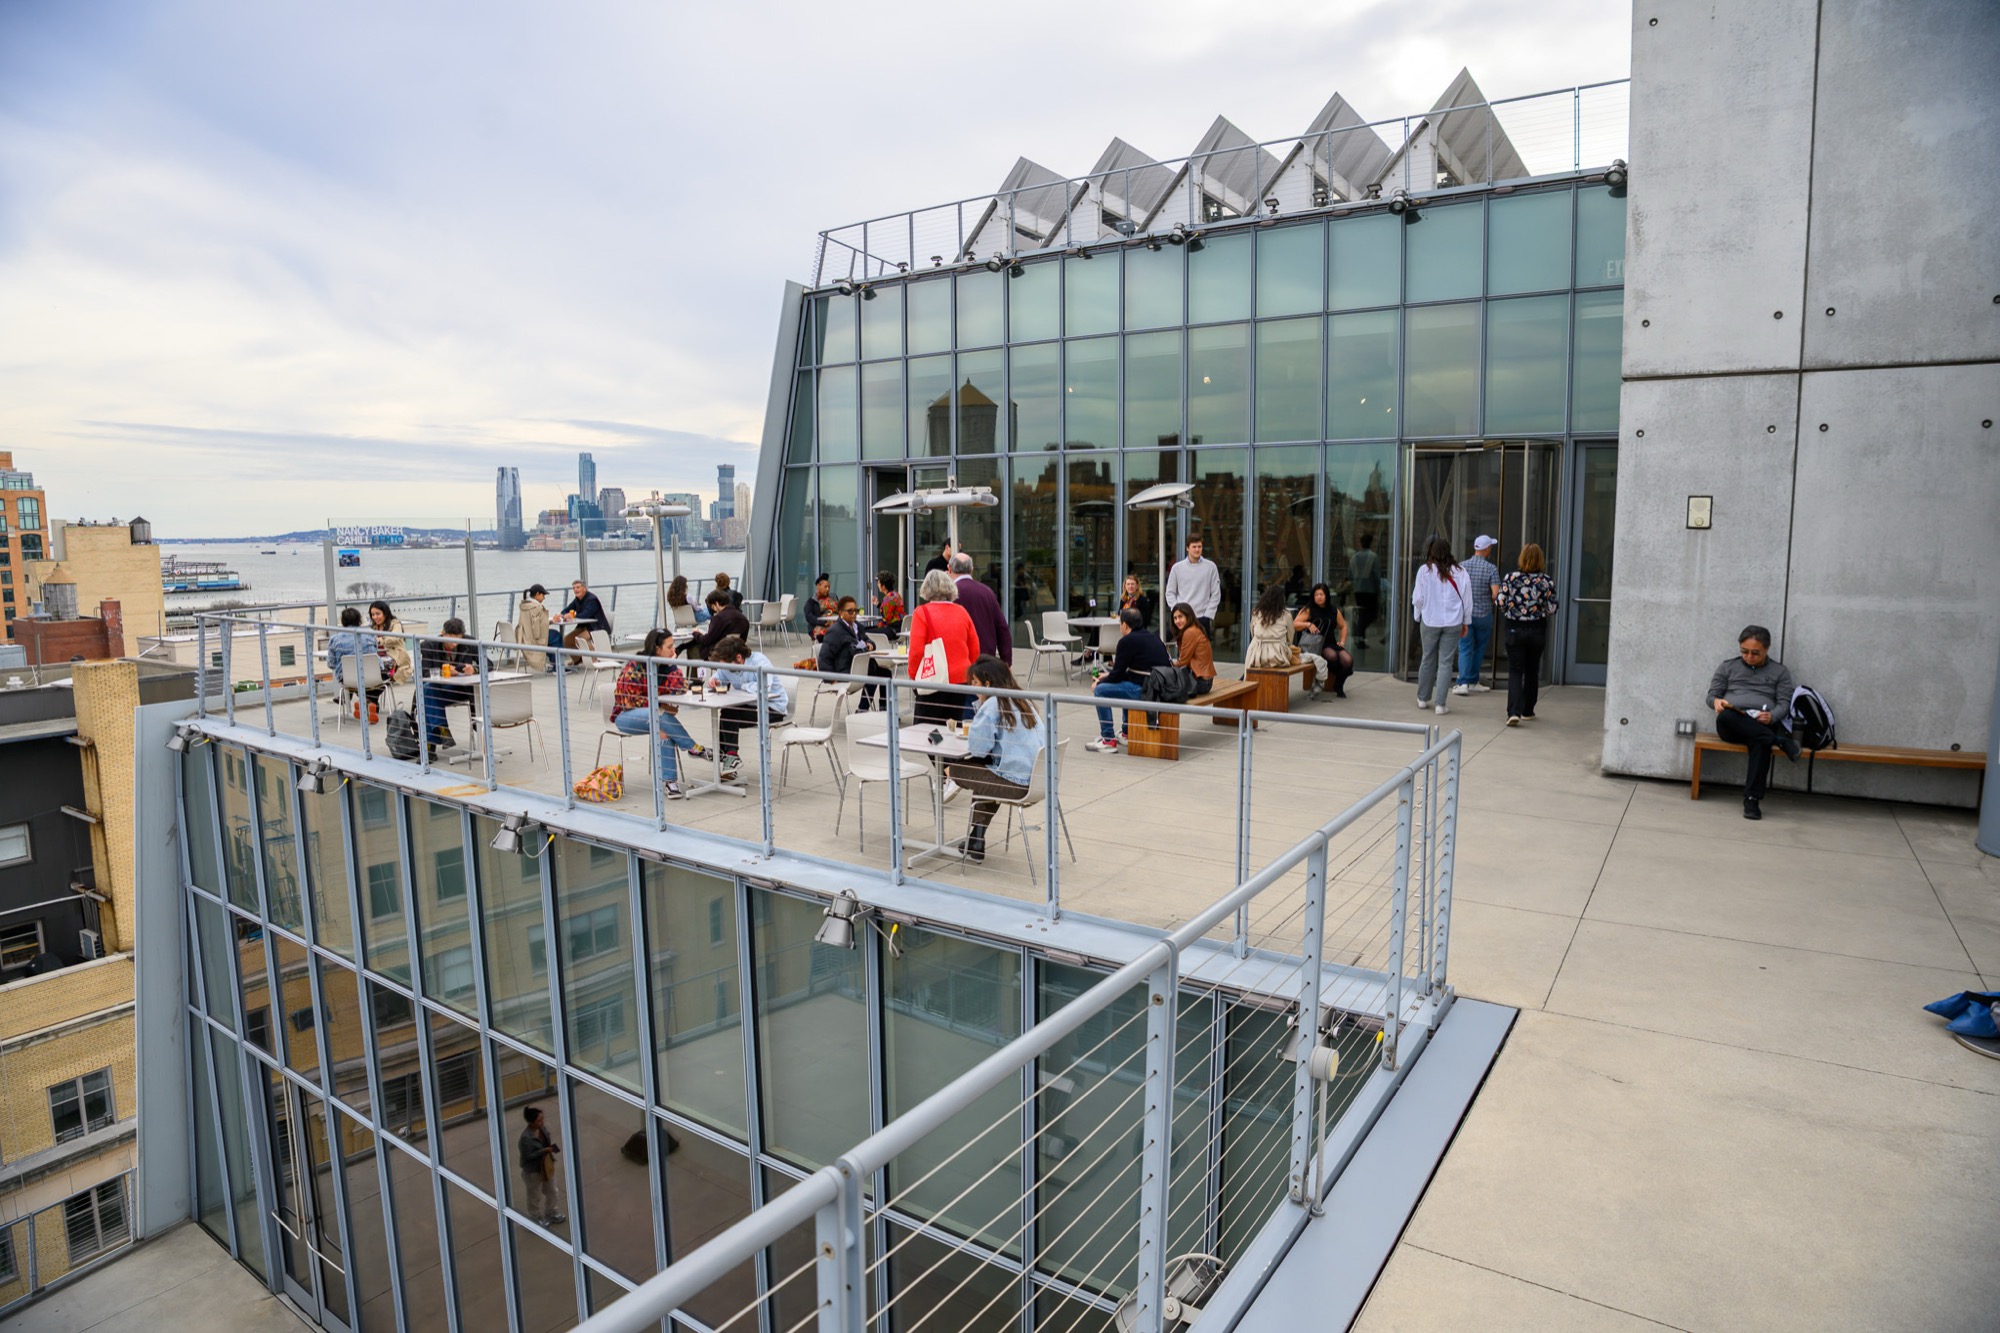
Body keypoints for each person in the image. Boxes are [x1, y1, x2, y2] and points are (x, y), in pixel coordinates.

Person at [945, 656, 1048, 863]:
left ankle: (975, 838)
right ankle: (976, 838)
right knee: (987, 772)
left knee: (954, 768)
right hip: (1041, 781)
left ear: (988, 683)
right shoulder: (1023, 699)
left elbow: (978, 749)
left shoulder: (993, 704)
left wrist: (981, 709)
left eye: (974, 683)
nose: (972, 688)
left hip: (1019, 785)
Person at [1706, 625, 1801, 821]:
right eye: (1744, 652)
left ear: (1767, 649)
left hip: (1761, 723)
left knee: (1760, 742)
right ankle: (1780, 741)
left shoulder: (1780, 671)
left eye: (1755, 653)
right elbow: (1711, 696)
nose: (1749, 656)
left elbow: (1784, 703)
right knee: (1725, 716)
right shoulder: (1727, 667)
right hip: (1732, 723)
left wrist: (1772, 716)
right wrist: (1716, 702)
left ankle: (1751, 800)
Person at [610, 629, 709, 800]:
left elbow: (680, 688)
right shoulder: (636, 665)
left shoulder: (665, 667)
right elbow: (628, 702)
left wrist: (672, 664)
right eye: (669, 647)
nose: (674, 651)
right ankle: (692, 747)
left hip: (653, 716)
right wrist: (658, 704)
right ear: (657, 649)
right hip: (625, 718)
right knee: (659, 715)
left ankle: (670, 783)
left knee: (663, 728)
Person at [703, 635, 789, 776]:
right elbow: (719, 676)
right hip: (749, 706)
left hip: (773, 708)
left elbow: (764, 686)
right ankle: (730, 757)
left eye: (727, 665)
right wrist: (714, 681)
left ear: (738, 658)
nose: (725, 668)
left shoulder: (759, 661)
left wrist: (742, 686)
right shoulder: (728, 665)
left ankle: (727, 756)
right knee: (728, 711)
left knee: (729, 713)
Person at [1089, 607, 1172, 751]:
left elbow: (1117, 675)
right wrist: (1108, 676)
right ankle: (1126, 733)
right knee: (1126, 684)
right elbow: (1136, 672)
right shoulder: (1153, 637)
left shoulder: (1126, 641)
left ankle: (1108, 740)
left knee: (1100, 691)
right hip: (1158, 688)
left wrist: (1100, 682)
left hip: (1146, 691)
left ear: (1125, 625)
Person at [905, 569, 980, 726]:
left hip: (933, 678)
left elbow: (916, 651)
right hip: (961, 677)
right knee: (954, 724)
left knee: (927, 727)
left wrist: (913, 675)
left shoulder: (921, 613)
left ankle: (934, 750)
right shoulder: (962, 611)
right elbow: (974, 649)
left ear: (926, 589)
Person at [1494, 544, 1559, 726]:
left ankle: (1513, 711)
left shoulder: (1510, 578)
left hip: (1515, 628)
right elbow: (1552, 608)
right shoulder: (1546, 581)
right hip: (1537, 629)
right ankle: (1528, 709)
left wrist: (1512, 610)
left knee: (1515, 670)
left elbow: (1500, 603)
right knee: (1532, 670)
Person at [1410, 538, 1469, 716]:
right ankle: (1440, 705)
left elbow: (1417, 598)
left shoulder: (1424, 571)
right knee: (1445, 662)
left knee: (1427, 658)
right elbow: (1467, 599)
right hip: (1453, 622)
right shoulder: (1460, 571)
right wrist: (1466, 621)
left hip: (1430, 620)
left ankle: (1422, 698)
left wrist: (1418, 615)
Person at [819, 596, 892, 711]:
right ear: (841, 613)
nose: (854, 614)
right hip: (845, 671)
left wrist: (870, 644)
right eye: (850, 611)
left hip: (860, 668)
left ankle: (885, 709)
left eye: (855, 610)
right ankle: (862, 709)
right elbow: (824, 658)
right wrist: (831, 679)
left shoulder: (857, 626)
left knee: (885, 673)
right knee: (872, 674)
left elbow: (868, 640)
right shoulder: (835, 631)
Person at [1453, 536, 1501, 696]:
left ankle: (1463, 683)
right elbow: (1495, 594)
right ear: (1487, 549)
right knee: (1479, 648)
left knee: (1465, 648)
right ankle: (1473, 681)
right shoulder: (1491, 569)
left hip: (1465, 614)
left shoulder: (1462, 566)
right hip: (1484, 614)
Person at [419, 618, 477, 749]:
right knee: (428, 690)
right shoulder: (428, 646)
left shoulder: (469, 642)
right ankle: (442, 732)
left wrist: (474, 669)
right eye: (450, 640)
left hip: (464, 689)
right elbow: (423, 673)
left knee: (426, 695)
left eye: (457, 640)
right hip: (441, 690)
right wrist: (442, 672)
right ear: (442, 633)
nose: (454, 645)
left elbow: (488, 664)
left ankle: (431, 746)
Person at [951, 553, 1013, 673]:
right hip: (986, 660)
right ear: (972, 569)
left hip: (959, 663)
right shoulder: (987, 592)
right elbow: (1002, 628)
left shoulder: (949, 595)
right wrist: (1006, 662)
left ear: (949, 568)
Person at [1293, 583, 1352, 700]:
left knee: (1348, 660)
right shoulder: (1309, 609)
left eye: (1321, 594)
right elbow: (1295, 624)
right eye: (1316, 595)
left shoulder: (1334, 610)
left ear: (1327, 595)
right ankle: (1340, 682)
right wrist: (1308, 624)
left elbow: (1343, 626)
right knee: (1333, 657)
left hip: (1331, 643)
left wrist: (1342, 641)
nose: (1319, 597)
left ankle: (1338, 684)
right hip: (1316, 646)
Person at [1163, 536, 1223, 642]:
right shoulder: (1177, 568)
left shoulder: (1211, 567)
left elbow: (1216, 594)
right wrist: (1177, 611)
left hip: (1202, 618)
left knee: (1202, 653)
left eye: (1199, 546)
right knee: (1181, 649)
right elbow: (1170, 592)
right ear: (1187, 548)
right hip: (1182, 617)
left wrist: (1208, 615)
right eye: (1194, 546)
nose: (1197, 549)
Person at [326, 607, 381, 719]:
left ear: (342, 622)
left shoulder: (335, 639)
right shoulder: (369, 635)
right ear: (359, 620)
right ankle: (369, 701)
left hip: (347, 679)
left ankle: (363, 702)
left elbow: (331, 664)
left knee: (355, 681)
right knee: (385, 674)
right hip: (371, 678)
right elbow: (375, 655)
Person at [517, 1106, 566, 1226]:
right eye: (539, 1120)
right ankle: (535, 1217)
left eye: (542, 1119)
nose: (542, 1122)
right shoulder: (525, 1138)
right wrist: (544, 1151)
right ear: (531, 1122)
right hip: (533, 1171)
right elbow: (527, 1156)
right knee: (535, 1195)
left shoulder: (542, 1128)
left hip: (546, 1166)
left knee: (552, 1191)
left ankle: (551, 1212)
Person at [688, 589, 751, 661]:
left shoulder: (718, 619)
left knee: (693, 649)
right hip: (736, 654)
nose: (714, 610)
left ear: (716, 603)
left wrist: (696, 633)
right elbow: (743, 641)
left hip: (719, 655)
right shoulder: (744, 619)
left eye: (712, 606)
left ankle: (696, 672)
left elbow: (706, 640)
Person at [1242, 583, 1294, 670]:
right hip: (1279, 656)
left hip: (1256, 655)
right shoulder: (1286, 615)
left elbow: (1253, 633)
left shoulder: (1256, 613)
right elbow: (1290, 638)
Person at [1169, 602, 1215, 695]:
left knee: (1162, 685)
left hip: (1200, 682)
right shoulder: (1195, 628)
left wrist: (1169, 664)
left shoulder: (1190, 632)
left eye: (1180, 617)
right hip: (1204, 681)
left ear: (1188, 616)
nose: (1177, 621)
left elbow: (1182, 662)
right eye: (1175, 618)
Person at [1347, 534, 1381, 650]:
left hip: (1358, 590)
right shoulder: (1373, 557)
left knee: (1362, 614)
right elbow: (1377, 576)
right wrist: (1378, 591)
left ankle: (1359, 635)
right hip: (1371, 590)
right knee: (1371, 614)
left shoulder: (1354, 557)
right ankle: (1359, 632)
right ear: (1370, 543)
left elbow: (1350, 575)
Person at [557, 580, 611, 650]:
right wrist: (564, 615)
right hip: (584, 626)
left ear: (584, 588)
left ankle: (596, 656)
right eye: (574, 588)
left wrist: (572, 616)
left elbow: (585, 615)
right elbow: (565, 610)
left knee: (579, 640)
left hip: (597, 627)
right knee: (566, 640)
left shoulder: (592, 600)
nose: (575, 590)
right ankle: (578, 660)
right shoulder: (577, 600)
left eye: (578, 587)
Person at [367, 600, 411, 682]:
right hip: (378, 657)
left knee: (376, 674)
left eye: (378, 614)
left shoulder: (395, 624)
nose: (375, 617)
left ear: (385, 613)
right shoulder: (374, 627)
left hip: (394, 658)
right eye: (373, 615)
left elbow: (395, 637)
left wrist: (381, 640)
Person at [515, 584, 551, 671]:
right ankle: (558, 666)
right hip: (533, 639)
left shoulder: (524, 606)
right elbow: (541, 627)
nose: (544, 598)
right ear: (538, 594)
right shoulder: (538, 607)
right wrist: (552, 621)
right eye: (543, 595)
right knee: (557, 637)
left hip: (523, 637)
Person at [803, 574, 835, 641]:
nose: (828, 589)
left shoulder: (833, 597)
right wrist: (822, 622)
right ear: (818, 586)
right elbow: (809, 616)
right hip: (818, 626)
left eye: (829, 587)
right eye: (825, 587)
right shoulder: (811, 601)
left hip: (834, 625)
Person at [874, 572, 905, 639]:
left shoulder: (888, 599)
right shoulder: (896, 595)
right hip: (900, 628)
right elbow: (891, 610)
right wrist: (878, 604)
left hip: (893, 630)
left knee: (866, 632)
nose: (877, 585)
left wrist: (877, 626)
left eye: (879, 583)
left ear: (883, 586)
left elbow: (886, 620)